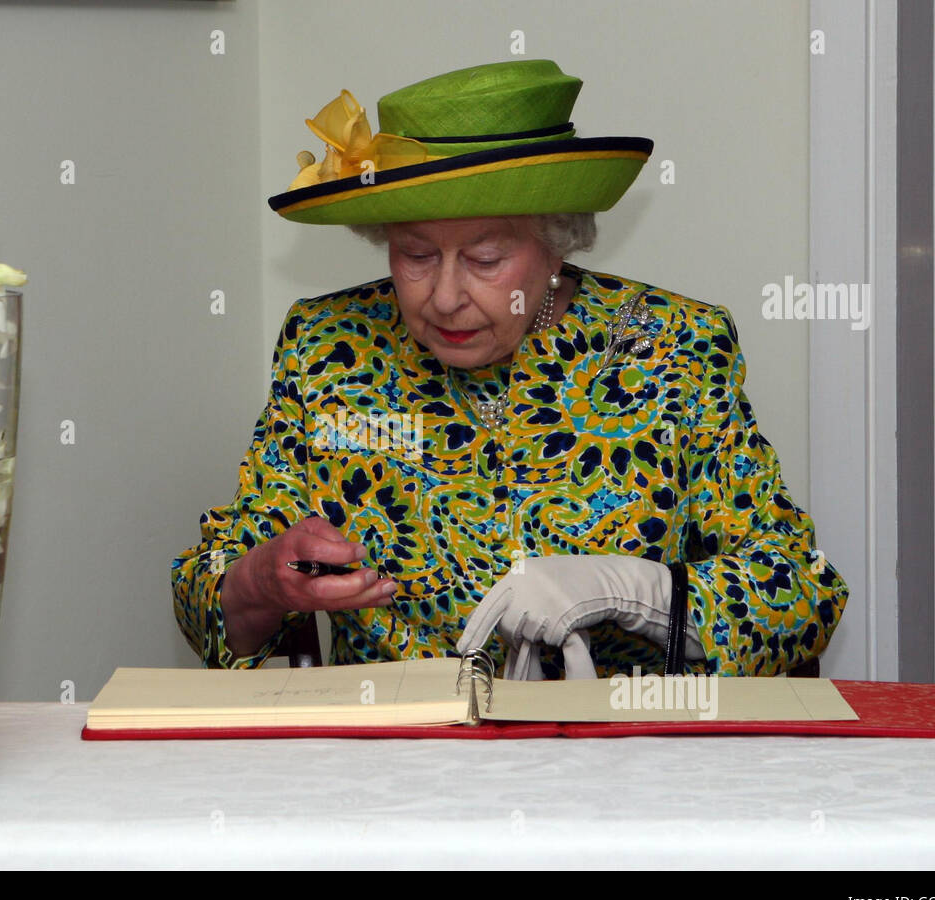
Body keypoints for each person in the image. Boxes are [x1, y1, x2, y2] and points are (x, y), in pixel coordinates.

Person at [171, 59, 848, 679]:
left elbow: (802, 592)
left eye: (487, 260)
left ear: (555, 243)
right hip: (400, 769)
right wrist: (260, 582)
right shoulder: (328, 348)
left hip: (625, 765)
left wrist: (641, 592)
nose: (443, 295)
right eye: (415, 255)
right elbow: (208, 596)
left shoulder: (672, 347)